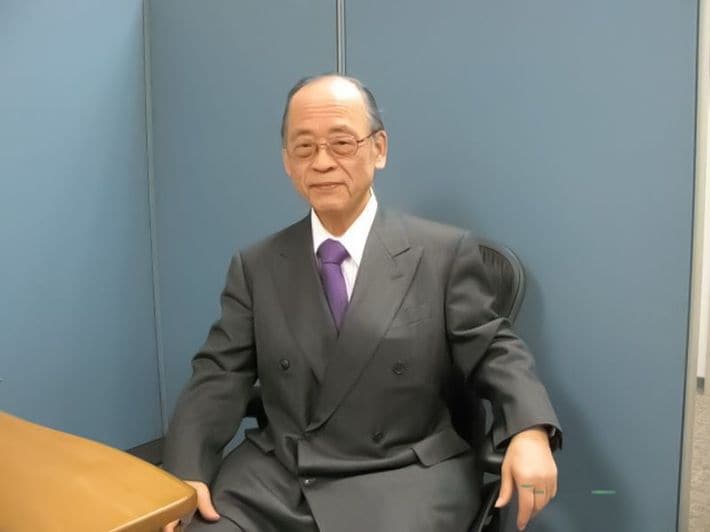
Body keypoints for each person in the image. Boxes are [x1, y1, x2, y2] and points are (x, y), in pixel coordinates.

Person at [162, 74, 561, 532]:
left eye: (342, 143)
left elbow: (495, 350)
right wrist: (186, 469)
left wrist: (529, 430)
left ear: (379, 148)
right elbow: (218, 373)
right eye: (304, 147)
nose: (322, 162)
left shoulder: (442, 253)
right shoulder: (257, 265)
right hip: (279, 476)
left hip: (402, 472)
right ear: (287, 161)